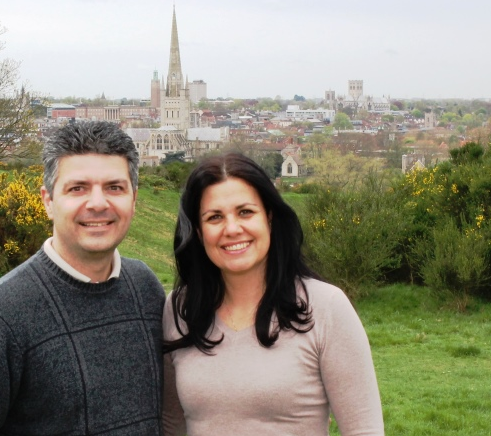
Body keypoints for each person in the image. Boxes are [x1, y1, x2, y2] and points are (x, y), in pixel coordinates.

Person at [0, 121, 166, 435]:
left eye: (114, 187)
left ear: (134, 200)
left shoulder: (145, 288)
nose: (98, 203)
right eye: (77, 188)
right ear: (48, 201)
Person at [162, 153, 384, 436]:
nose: (232, 229)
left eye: (245, 212)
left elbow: (364, 430)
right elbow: (171, 426)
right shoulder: (180, 310)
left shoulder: (326, 307)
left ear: (269, 217)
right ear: (198, 230)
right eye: (214, 217)